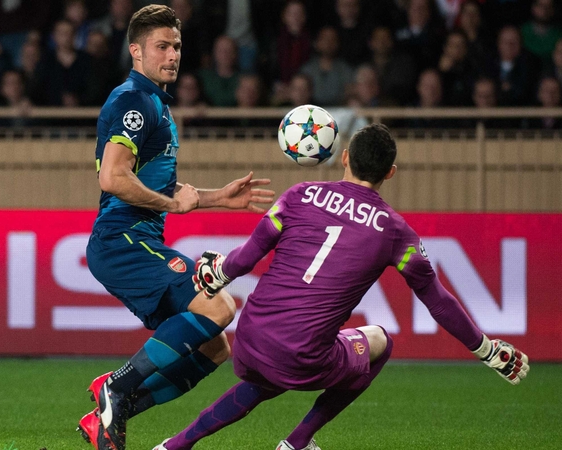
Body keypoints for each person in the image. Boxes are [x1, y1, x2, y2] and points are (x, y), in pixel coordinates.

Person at [153, 123, 530, 450]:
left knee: (269, 378)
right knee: (380, 341)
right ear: (391, 172)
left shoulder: (299, 195)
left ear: (345, 156)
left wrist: (218, 274)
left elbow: (246, 257)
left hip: (250, 339)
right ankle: (298, 440)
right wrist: (486, 349)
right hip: (302, 355)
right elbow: (439, 302)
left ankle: (175, 444)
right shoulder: (396, 234)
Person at [75, 6, 275, 450]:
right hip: (121, 239)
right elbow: (112, 177)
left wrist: (216, 198)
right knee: (220, 306)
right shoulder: (133, 101)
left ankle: (113, 413)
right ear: (136, 51)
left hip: (134, 239)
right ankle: (117, 387)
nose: (172, 55)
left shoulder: (154, 105)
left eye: (177, 46)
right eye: (161, 46)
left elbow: (155, 181)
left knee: (214, 348)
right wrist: (171, 205)